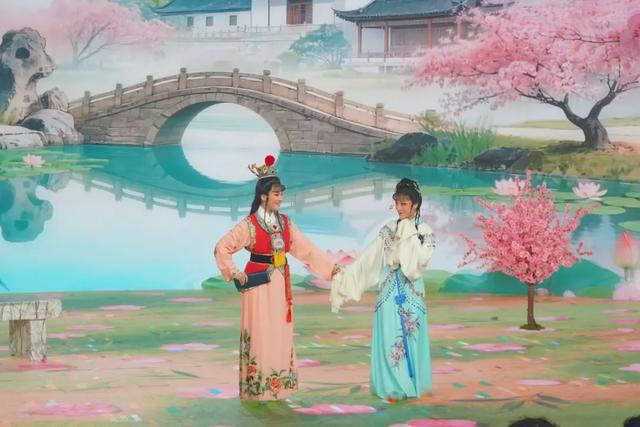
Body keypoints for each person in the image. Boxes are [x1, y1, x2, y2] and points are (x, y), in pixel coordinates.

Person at [214, 155, 339, 401]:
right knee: (260, 332)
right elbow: (222, 247)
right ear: (263, 196)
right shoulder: (249, 225)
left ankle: (279, 387)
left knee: (279, 331)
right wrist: (234, 272)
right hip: (258, 285)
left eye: (281, 194)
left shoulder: (285, 223)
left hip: (280, 283)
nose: (280, 199)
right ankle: (258, 388)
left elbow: (306, 249)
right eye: (276, 194)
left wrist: (331, 269)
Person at [330, 178, 436, 400]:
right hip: (388, 291)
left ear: (415, 204)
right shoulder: (389, 229)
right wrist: (347, 273)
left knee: (411, 337)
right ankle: (391, 387)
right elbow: (369, 257)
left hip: (412, 292)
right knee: (389, 337)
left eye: (404, 204)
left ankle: (412, 386)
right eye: (397, 203)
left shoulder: (424, 232)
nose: (399, 208)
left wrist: (407, 238)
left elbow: (420, 262)